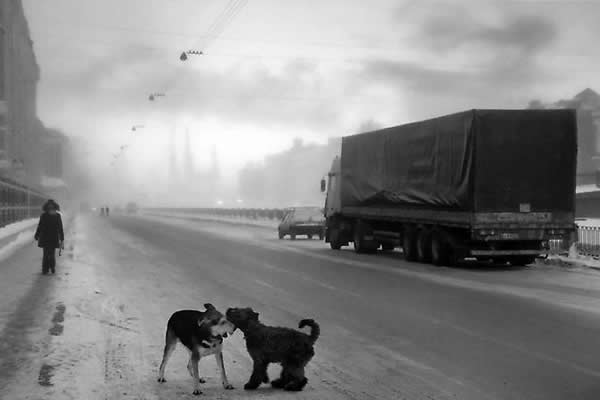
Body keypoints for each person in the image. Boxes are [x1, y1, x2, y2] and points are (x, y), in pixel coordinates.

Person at [34, 199, 64, 275]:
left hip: (45, 237)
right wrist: (62, 238)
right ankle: (52, 267)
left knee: (46, 254)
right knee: (52, 253)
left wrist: (37, 235)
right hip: (53, 237)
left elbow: (40, 226)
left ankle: (45, 269)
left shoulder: (43, 215)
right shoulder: (57, 216)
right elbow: (60, 228)